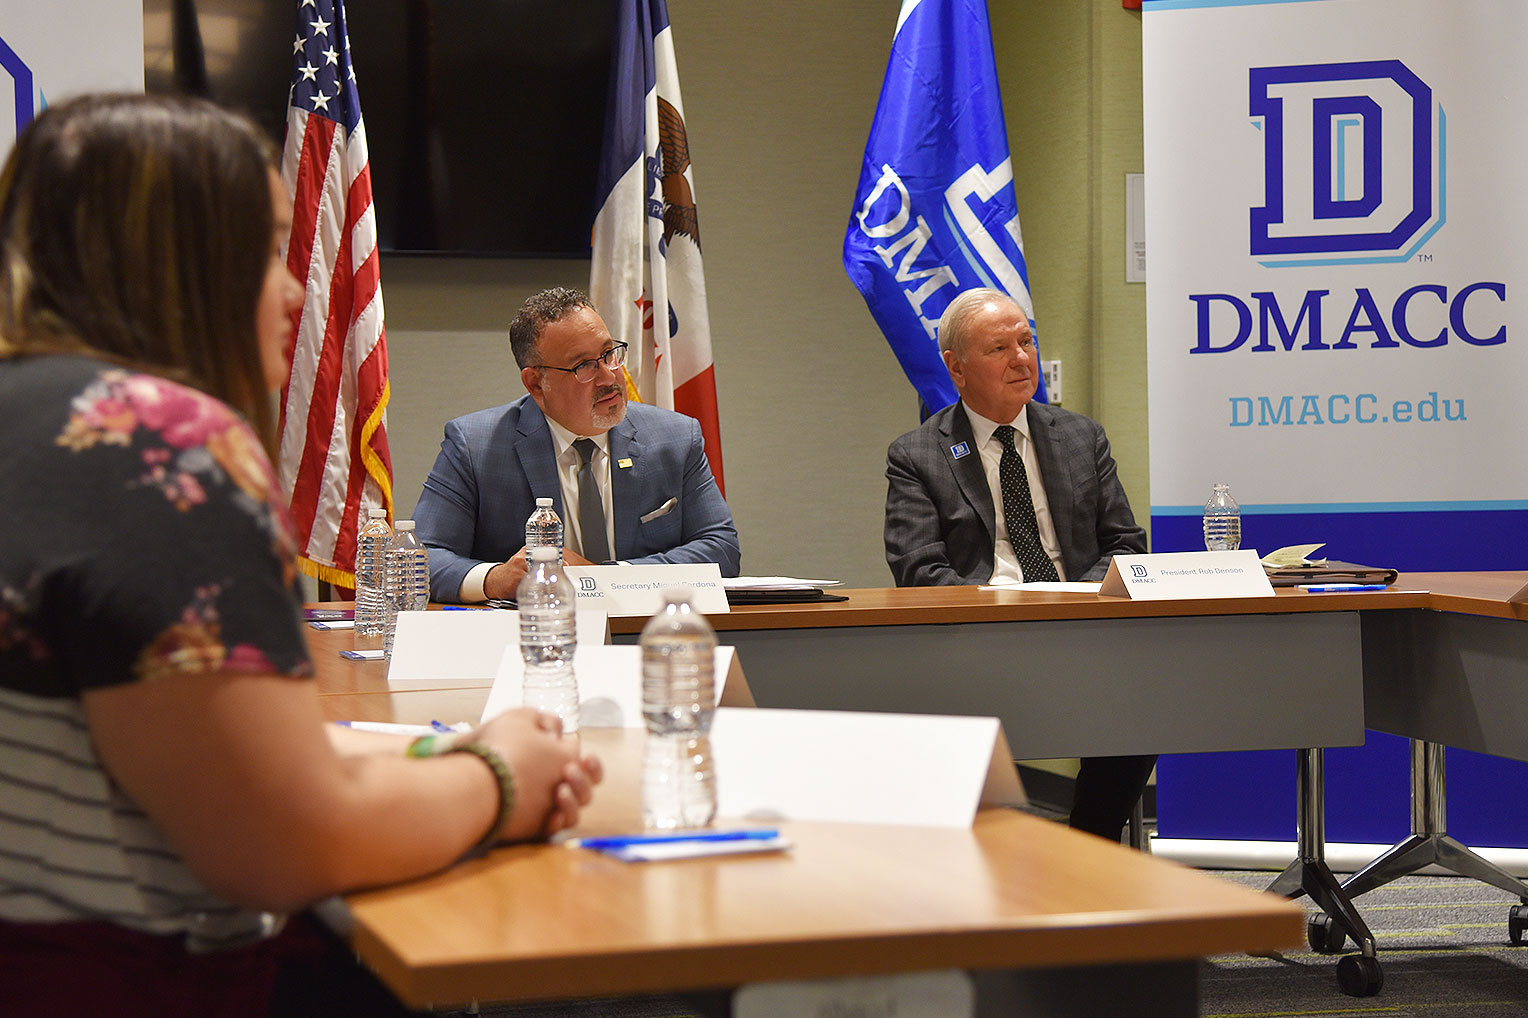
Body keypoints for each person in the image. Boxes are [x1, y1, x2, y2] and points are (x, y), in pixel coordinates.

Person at [0, 94, 601, 1017]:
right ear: (179, 262)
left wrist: (435, 762)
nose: (294, 290)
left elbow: (200, 754)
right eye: (263, 248)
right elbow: (278, 843)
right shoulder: (154, 442)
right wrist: (501, 775)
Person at [883, 287, 1153, 842]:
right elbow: (918, 569)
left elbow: (1125, 543)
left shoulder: (1079, 436)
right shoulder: (918, 454)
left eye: (1026, 341)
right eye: (999, 348)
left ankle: (1090, 848)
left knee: (1142, 704)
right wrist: (1005, 605)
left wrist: (1073, 598)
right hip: (983, 639)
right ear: (956, 369)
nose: (1022, 359)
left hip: (1081, 628)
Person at [414, 287, 741, 603]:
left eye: (609, 354)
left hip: (646, 639)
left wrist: (607, 578)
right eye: (584, 366)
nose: (610, 378)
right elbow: (422, 559)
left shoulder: (675, 438)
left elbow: (721, 548)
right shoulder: (475, 446)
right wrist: (496, 578)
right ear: (536, 383)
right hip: (530, 641)